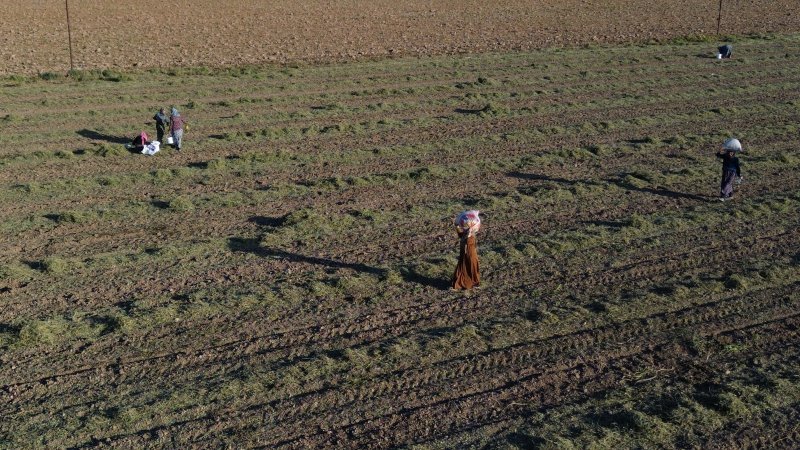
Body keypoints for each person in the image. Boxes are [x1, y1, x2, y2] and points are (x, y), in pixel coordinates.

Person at [452, 211, 481, 290]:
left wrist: (468, 235)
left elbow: (469, 244)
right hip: (464, 255)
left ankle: (474, 283)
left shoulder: (471, 237)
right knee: (462, 269)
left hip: (470, 256)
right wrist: (457, 226)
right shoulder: (465, 234)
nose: (466, 228)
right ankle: (459, 283)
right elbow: (460, 235)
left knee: (471, 269)